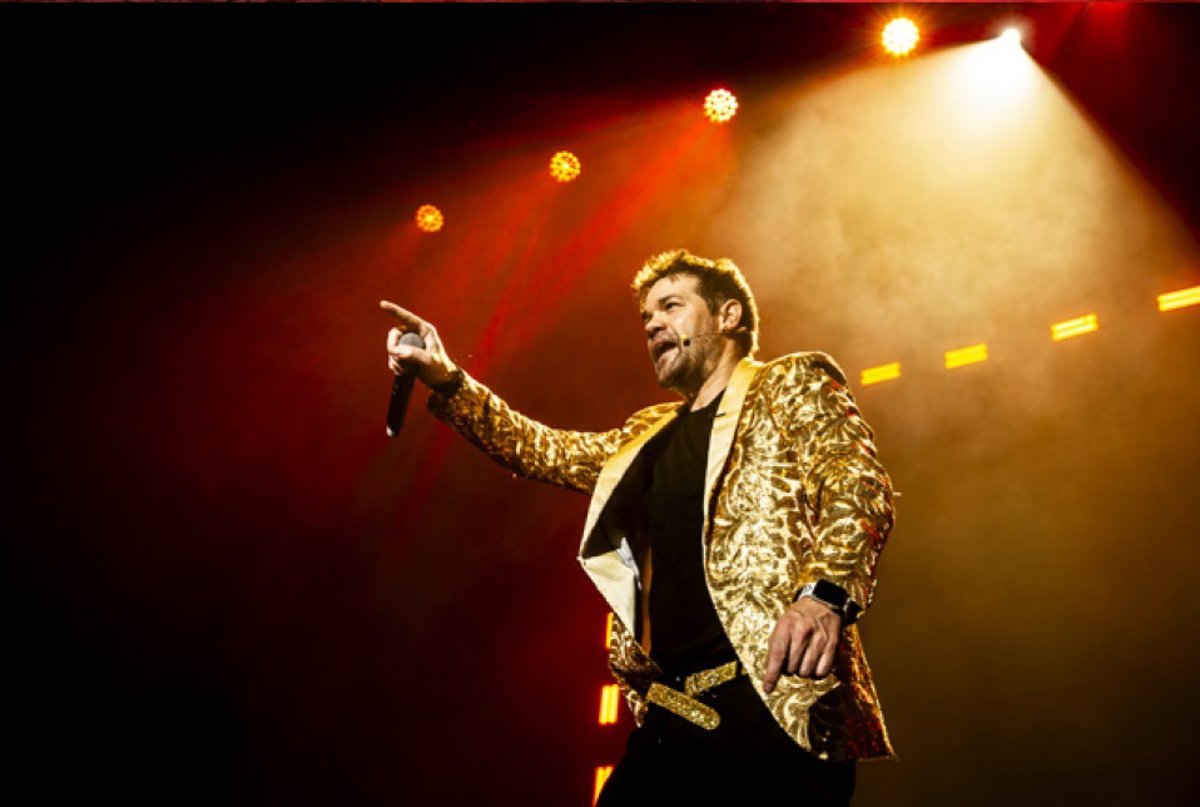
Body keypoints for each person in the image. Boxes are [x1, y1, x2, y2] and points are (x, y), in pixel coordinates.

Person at [382, 249, 894, 805]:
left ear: (728, 316)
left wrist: (824, 595)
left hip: (768, 706)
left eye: (671, 306)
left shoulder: (788, 384)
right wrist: (448, 379)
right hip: (670, 720)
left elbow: (856, 483)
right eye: (646, 316)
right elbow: (539, 450)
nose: (651, 324)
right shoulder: (644, 435)